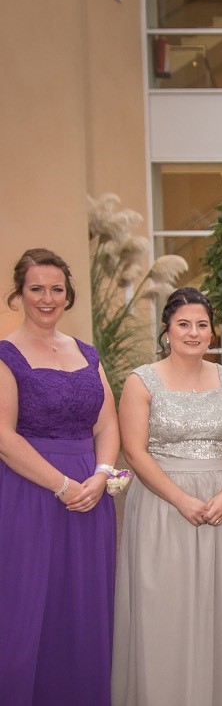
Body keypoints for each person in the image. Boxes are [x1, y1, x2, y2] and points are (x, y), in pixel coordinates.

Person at [111, 288, 222, 705]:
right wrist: (180, 499)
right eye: (183, 325)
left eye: (202, 325)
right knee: (163, 612)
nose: (193, 333)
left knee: (215, 611)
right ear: (167, 330)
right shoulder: (141, 380)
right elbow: (134, 451)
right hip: (161, 506)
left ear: (213, 332)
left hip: (219, 506)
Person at [0, 248, 121, 705]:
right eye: (37, 289)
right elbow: (4, 437)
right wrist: (64, 485)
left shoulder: (87, 353)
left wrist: (102, 474)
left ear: (68, 294)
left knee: (83, 608)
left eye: (56, 289)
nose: (47, 298)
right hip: (30, 494)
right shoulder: (5, 355)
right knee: (27, 607)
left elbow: (107, 424)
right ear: (20, 294)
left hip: (91, 497)